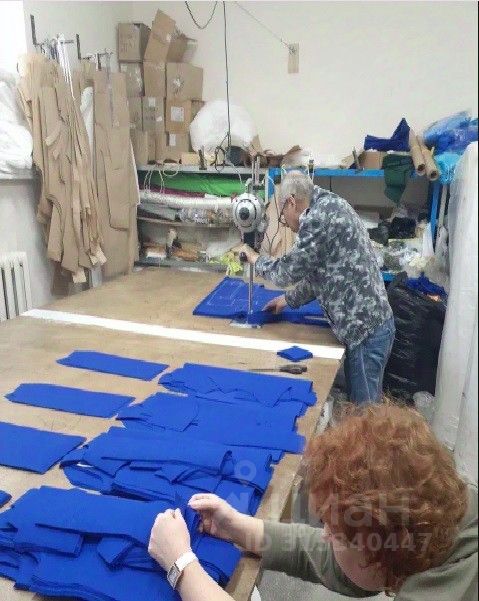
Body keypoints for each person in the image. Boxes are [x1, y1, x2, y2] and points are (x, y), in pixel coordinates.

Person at [148, 403, 478, 601]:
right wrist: (236, 526)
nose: (325, 536)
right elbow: (330, 557)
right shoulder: (439, 519)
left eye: (335, 533)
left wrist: (181, 566)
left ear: (380, 556)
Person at [238, 170, 395, 404]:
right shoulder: (328, 204)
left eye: (283, 217)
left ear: (291, 202)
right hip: (368, 328)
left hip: (365, 333)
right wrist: (286, 300)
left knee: (365, 416)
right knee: (359, 409)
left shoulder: (317, 219)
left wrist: (254, 258)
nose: (287, 225)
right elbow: (319, 276)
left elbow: (285, 273)